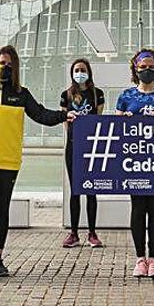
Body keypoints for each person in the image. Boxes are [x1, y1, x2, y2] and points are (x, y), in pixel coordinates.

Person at [0, 45, 75, 284]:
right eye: (2, 63)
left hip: (8, 160)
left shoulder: (21, 94)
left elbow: (41, 114)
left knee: (2, 209)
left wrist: (64, 115)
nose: (5, 67)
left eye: (10, 65)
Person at [115, 48, 154, 278]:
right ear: (135, 69)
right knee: (138, 208)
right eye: (143, 67)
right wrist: (126, 121)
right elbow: (115, 128)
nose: (147, 70)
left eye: (151, 67)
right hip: (135, 161)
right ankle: (139, 258)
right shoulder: (126, 96)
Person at [60, 58, 105, 249]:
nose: (79, 72)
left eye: (83, 69)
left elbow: (99, 119)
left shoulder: (97, 94)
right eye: (77, 69)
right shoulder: (66, 95)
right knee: (75, 190)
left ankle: (92, 233)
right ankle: (73, 233)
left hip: (91, 146)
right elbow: (65, 122)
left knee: (91, 189)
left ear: (89, 72)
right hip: (73, 146)